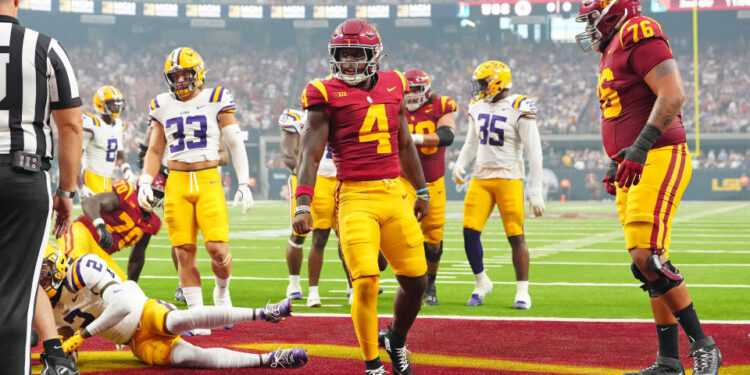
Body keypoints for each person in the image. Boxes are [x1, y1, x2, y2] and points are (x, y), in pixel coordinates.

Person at [576, 0, 721, 374]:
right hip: (636, 161)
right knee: (647, 266)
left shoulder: (638, 32)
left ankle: (704, 345)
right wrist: (617, 160)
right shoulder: (612, 48)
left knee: (648, 257)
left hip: (659, 152)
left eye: (592, 18)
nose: (588, 27)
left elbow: (672, 95)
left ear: (613, 11)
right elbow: (626, 114)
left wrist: (639, 148)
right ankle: (668, 362)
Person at [293, 19, 428, 375]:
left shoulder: (395, 83)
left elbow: (404, 143)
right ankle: (372, 366)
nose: (350, 62)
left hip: (393, 192)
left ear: (375, 55)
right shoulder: (323, 93)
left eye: (358, 54)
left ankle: (395, 339)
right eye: (344, 55)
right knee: (366, 281)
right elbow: (309, 153)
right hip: (354, 196)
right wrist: (303, 203)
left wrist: (423, 189)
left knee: (417, 281)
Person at [39, 243, 308, 369]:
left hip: (140, 310)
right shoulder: (44, 306)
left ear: (58, 262)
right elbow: (62, 343)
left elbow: (120, 305)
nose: (43, 278)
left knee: (176, 322)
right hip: (134, 342)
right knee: (189, 358)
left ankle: (264, 313)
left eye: (45, 270)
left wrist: (82, 335)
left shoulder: (82, 268)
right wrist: (64, 354)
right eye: (38, 274)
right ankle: (270, 360)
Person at [139, 47, 254, 336]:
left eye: (184, 74)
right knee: (184, 250)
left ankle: (222, 290)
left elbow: (235, 142)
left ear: (198, 73)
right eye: (174, 75)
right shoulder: (162, 104)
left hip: (208, 179)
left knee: (217, 248)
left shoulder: (216, 99)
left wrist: (243, 182)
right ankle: (197, 315)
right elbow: (155, 148)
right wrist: (145, 180)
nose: (179, 80)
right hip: (176, 180)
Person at [0, 1, 82, 373]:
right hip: (24, 174)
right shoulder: (44, 46)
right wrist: (66, 192)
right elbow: (71, 127)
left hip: (22, 176)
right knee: (15, 295)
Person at [452, 60, 545, 308]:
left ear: (497, 82)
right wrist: (460, 163)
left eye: (483, 83)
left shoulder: (518, 106)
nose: (480, 88)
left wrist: (535, 191)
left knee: (515, 236)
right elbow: (471, 143)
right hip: (480, 178)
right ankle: (481, 281)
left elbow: (534, 152)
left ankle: (522, 291)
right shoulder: (477, 106)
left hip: (509, 177)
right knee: (469, 233)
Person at [401, 68, 457, 306]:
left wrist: (415, 138)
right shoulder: (395, 107)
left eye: (416, 90)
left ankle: (430, 283)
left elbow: (447, 135)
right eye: (408, 90)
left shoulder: (441, 105)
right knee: (400, 231)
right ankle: (409, 281)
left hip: (433, 182)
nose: (411, 95)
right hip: (403, 181)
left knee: (433, 239)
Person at [278, 108, 344, 307]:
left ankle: (354, 284)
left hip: (336, 179)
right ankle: (294, 283)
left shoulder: (341, 113)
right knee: (299, 233)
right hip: (306, 178)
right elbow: (288, 155)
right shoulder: (297, 117)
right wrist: (309, 171)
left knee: (342, 234)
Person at [59, 176, 165, 281]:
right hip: (82, 232)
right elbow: (89, 202)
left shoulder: (152, 223)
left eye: (160, 195)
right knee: (76, 262)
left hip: (100, 253)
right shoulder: (127, 194)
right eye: (154, 192)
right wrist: (100, 226)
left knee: (120, 287)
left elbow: (137, 257)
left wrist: (132, 286)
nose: (155, 198)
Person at [78, 85, 134, 197]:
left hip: (108, 179)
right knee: (96, 213)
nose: (116, 107)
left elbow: (120, 154)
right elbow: (75, 159)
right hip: (91, 177)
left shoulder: (118, 125)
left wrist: (126, 169)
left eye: (118, 104)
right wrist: (80, 186)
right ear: (100, 105)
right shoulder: (91, 124)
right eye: (112, 104)